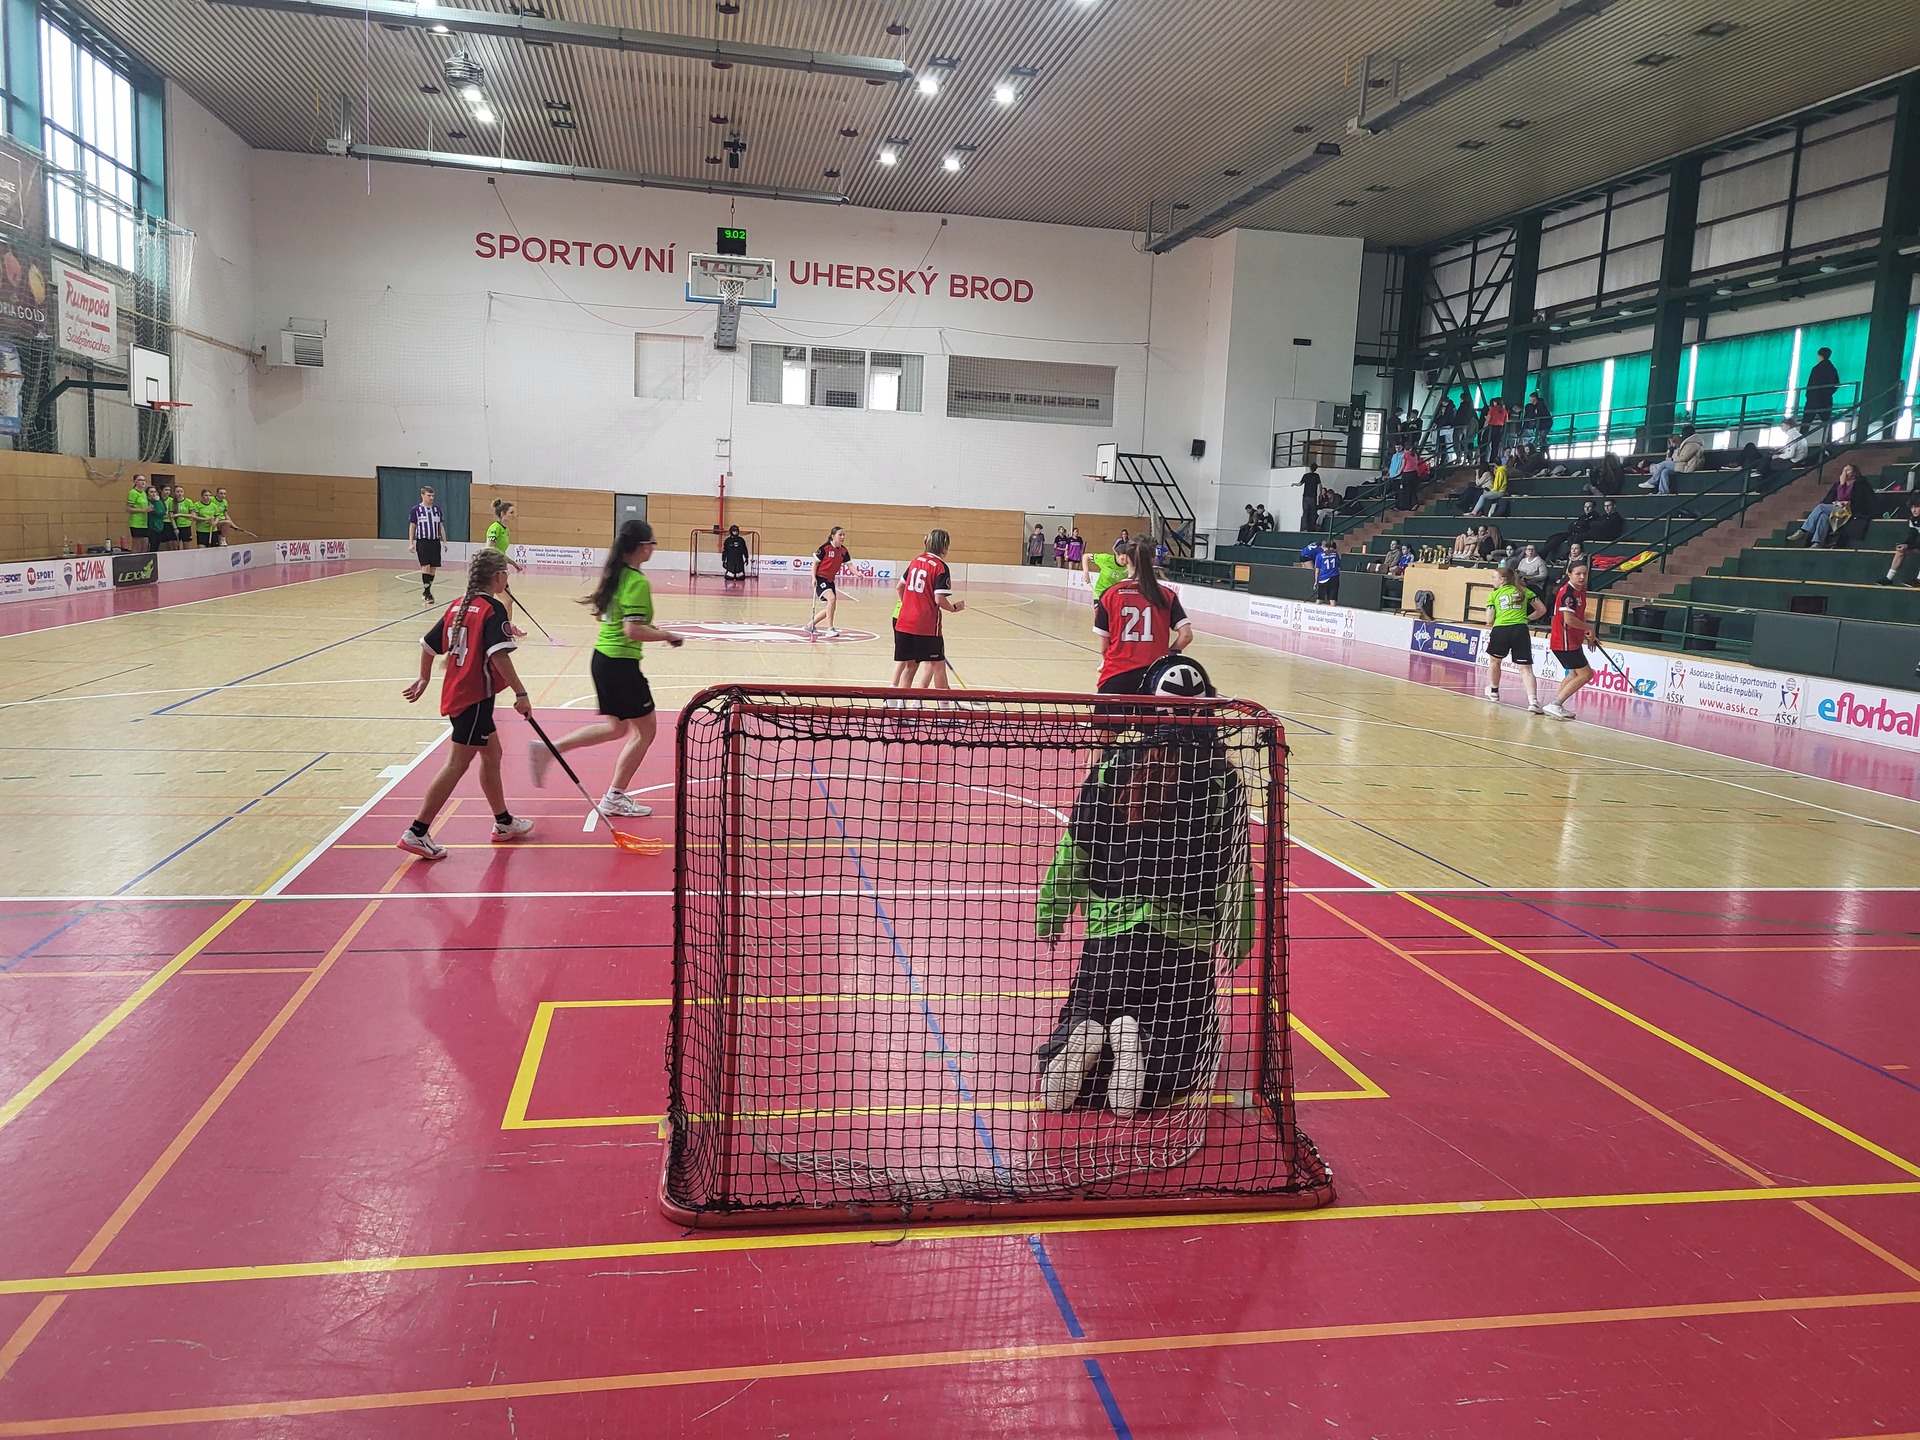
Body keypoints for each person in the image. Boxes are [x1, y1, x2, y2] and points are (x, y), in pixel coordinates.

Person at [1033, 654, 1248, 1119]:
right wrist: (1237, 938)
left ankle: (1084, 1034)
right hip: (1184, 941)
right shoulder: (1223, 779)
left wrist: (1051, 913)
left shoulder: (1114, 766)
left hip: (1111, 937)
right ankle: (1145, 1052)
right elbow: (1234, 868)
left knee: (1090, 1004)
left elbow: (1077, 846)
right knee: (1186, 1048)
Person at [528, 520, 683, 818]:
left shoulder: (617, 575)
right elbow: (632, 630)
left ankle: (550, 749)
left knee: (618, 728)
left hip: (603, 660)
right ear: (642, 547)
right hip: (620, 665)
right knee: (646, 731)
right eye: (652, 543)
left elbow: (619, 621)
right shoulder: (636, 582)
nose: (653, 548)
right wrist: (666, 635)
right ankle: (614, 797)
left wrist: (652, 629)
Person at [398, 548, 536, 860]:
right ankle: (417, 831)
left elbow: (428, 644)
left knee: (493, 753)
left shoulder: (459, 605)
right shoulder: (492, 609)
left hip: (462, 694)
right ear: (498, 576)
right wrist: (521, 693)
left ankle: (503, 822)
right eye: (506, 574)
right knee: (457, 764)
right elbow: (498, 656)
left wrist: (424, 678)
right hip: (473, 698)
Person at [1094, 537, 1193, 694]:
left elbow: (1104, 648)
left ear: (1126, 559)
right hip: (1155, 677)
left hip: (1117, 675)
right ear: (1153, 560)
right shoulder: (1166, 595)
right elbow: (1186, 635)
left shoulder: (1110, 595)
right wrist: (1168, 655)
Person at [891, 528, 965, 690]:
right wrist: (953, 608)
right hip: (926, 626)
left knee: (910, 668)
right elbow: (939, 599)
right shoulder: (940, 567)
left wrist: (910, 604)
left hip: (905, 622)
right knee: (938, 666)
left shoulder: (915, 561)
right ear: (944, 546)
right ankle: (943, 705)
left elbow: (899, 587)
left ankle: (900, 704)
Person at [1483, 561, 1547, 713]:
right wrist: (1527, 618)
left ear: (1503, 580)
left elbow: (1489, 620)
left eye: (1494, 577)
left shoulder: (1494, 595)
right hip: (1520, 629)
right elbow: (1542, 610)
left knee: (1495, 662)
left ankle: (1494, 691)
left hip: (1501, 629)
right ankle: (1533, 701)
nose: (1492, 580)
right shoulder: (1524, 591)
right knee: (1525, 668)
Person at [1544, 562, 1596, 721]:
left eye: (1584, 574)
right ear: (1569, 574)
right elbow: (1569, 620)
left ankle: (1556, 704)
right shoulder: (1567, 594)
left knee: (1574, 674)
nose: (1582, 577)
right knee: (1586, 674)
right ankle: (1555, 704)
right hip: (1564, 641)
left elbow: (1579, 615)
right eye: (1578, 574)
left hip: (1573, 639)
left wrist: (1587, 632)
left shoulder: (1580, 591)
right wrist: (1589, 627)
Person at [1794, 463, 1874, 548]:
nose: (1845, 472)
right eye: (1843, 470)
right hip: (1836, 507)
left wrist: (1842, 485)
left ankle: (1803, 530)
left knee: (1821, 507)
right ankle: (1817, 542)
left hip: (1850, 510)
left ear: (1854, 473)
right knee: (1823, 516)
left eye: (1848, 470)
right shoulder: (1837, 484)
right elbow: (1829, 499)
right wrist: (1836, 501)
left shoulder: (1860, 484)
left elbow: (1850, 499)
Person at [806, 526, 851, 636]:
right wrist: (813, 578)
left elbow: (850, 565)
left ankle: (810, 625)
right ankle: (830, 629)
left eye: (843, 535)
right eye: (840, 535)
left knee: (832, 607)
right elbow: (815, 563)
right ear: (833, 536)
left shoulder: (843, 551)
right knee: (831, 599)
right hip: (820, 578)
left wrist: (858, 574)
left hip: (830, 580)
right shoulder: (825, 548)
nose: (842, 537)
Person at [1640, 426, 1704, 495]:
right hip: (1685, 465)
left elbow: (1684, 458)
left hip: (1688, 466)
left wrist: (1674, 459)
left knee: (1664, 464)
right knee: (1665, 471)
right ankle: (1663, 491)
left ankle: (1651, 482)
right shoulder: (1689, 444)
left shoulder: (1692, 444)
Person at [409, 485, 445, 604]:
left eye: (433, 495)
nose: (431, 498)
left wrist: (444, 542)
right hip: (423, 541)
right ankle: (427, 592)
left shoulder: (437, 510)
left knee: (433, 568)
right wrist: (411, 543)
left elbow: (440, 526)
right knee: (426, 566)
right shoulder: (416, 510)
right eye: (429, 495)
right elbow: (412, 526)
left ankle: (427, 591)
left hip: (435, 541)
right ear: (422, 495)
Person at [1881, 493, 1920, 587]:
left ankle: (1919, 580)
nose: (1914, 510)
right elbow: (1912, 536)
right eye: (1912, 507)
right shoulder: (1913, 520)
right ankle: (1888, 578)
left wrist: (1908, 546)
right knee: (1901, 550)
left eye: (1917, 507)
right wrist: (1904, 545)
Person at [1803, 346, 1840, 436]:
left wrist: (1809, 396)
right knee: (1827, 422)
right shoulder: (1832, 369)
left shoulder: (1816, 369)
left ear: (1820, 356)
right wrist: (1828, 393)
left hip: (1813, 399)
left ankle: (1800, 440)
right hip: (1826, 399)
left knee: (1805, 423)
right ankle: (1829, 441)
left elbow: (1811, 385)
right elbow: (1836, 383)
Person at [485, 499, 525, 571]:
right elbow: (489, 548)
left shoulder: (506, 530)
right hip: (492, 565)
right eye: (511, 513)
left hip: (500, 563)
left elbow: (501, 552)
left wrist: (513, 564)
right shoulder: (495, 527)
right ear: (502, 514)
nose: (514, 515)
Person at [1299, 537, 1341, 604]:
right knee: (1331, 598)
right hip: (1307, 557)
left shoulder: (1319, 550)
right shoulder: (1323, 553)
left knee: (1320, 598)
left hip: (1303, 554)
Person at [125, 473, 151, 552]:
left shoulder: (143, 493)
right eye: (140, 480)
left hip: (144, 522)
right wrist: (142, 510)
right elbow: (128, 508)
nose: (143, 482)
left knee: (145, 544)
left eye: (144, 480)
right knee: (137, 545)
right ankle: (133, 559)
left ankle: (143, 559)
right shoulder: (133, 492)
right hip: (136, 522)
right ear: (135, 481)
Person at [1481, 395, 1509, 462]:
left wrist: (1485, 417)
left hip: (1492, 428)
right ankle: (1492, 461)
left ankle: (1483, 460)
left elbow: (1489, 418)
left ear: (1496, 402)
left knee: (1484, 443)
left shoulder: (1493, 409)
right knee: (1496, 446)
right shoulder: (1504, 410)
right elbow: (1506, 420)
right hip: (1500, 429)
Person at [145, 481, 168, 553]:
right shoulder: (148, 502)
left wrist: (158, 501)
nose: (154, 494)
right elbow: (157, 512)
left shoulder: (159, 501)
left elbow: (163, 511)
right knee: (153, 545)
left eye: (155, 492)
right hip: (151, 526)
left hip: (160, 526)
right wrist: (157, 502)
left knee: (157, 545)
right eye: (151, 492)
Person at [1433, 393, 1456, 462]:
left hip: (1447, 426)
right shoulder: (1452, 408)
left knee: (1435, 432)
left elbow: (1443, 417)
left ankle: (1434, 447)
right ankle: (1450, 459)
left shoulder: (1448, 409)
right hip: (1450, 426)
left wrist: (1437, 422)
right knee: (1449, 443)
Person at [170, 484, 194, 551]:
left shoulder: (188, 501)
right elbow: (171, 516)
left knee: (186, 548)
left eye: (181, 491)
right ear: (174, 493)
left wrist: (179, 514)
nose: (179, 493)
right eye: (177, 492)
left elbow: (192, 515)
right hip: (176, 527)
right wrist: (175, 528)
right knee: (176, 548)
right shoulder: (172, 502)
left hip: (186, 526)